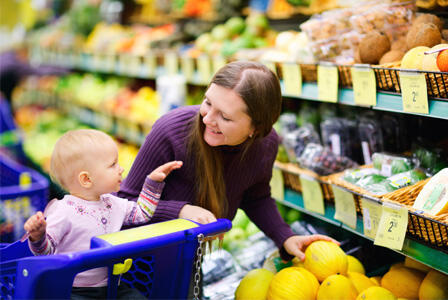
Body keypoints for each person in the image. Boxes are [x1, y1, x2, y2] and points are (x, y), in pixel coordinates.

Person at [118, 60, 338, 263]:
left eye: (225, 116)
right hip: (137, 261)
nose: (207, 119)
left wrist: (285, 237)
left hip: (189, 260)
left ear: (255, 129)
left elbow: (256, 197)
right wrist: (179, 211)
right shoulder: (171, 131)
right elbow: (124, 202)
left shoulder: (265, 144)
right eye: (207, 102)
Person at [23, 129, 182, 299]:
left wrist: (153, 183)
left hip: (112, 284)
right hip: (73, 289)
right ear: (86, 179)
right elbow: (45, 253)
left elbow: (142, 213)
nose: (121, 169)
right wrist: (38, 236)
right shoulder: (63, 211)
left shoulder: (113, 202)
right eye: (112, 165)